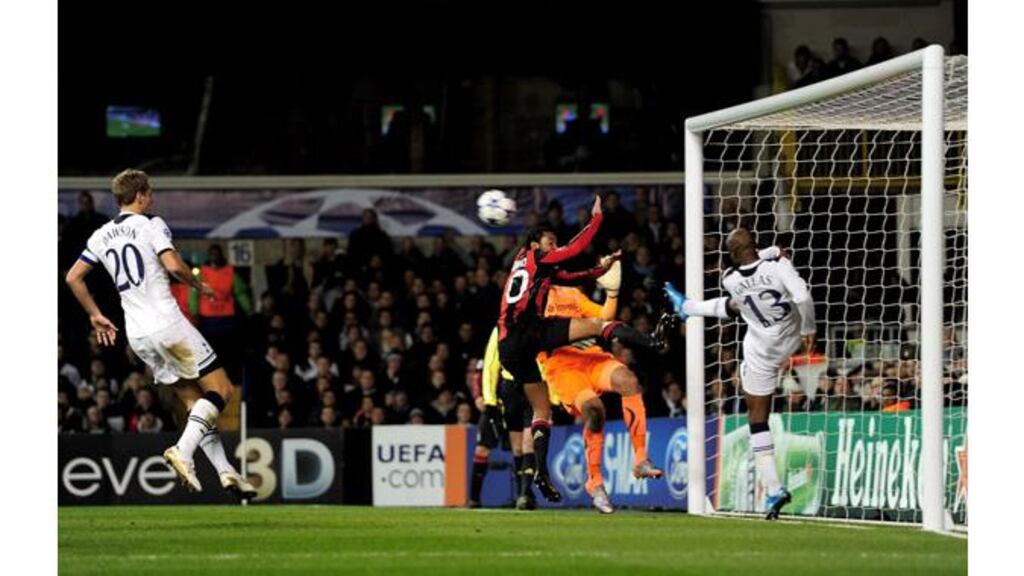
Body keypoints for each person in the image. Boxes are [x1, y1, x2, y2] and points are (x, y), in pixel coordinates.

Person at [64, 169, 256, 501]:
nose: (151, 198)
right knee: (222, 391)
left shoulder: (100, 235)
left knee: (195, 403)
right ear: (139, 195)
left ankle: (226, 471)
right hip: (168, 324)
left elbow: (72, 277)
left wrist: (95, 315)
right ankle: (182, 451)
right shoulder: (152, 224)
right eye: (149, 193)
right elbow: (175, 266)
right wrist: (200, 286)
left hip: (138, 335)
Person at [496, 195, 663, 502]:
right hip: (531, 336)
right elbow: (573, 250)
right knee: (596, 330)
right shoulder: (535, 259)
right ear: (535, 245)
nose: (554, 247)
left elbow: (573, 275)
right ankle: (649, 341)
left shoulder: (538, 271)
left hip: (512, 343)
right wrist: (596, 219)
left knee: (541, 409)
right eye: (549, 242)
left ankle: (541, 473)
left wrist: (600, 271)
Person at [665, 230, 816, 520]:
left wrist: (770, 252)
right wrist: (809, 329)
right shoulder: (779, 266)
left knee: (757, 420)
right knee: (740, 306)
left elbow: (746, 279)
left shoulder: (729, 279)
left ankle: (773, 488)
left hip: (762, 352)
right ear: (755, 246)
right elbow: (802, 296)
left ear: (732, 255)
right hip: (793, 337)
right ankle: (688, 308)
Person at [537, 262, 667, 514]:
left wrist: (612, 292)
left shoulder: (573, 295)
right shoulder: (533, 303)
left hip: (592, 357)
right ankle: (594, 482)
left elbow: (605, 318)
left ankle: (640, 459)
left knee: (628, 381)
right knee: (595, 411)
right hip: (562, 369)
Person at [469, 330, 538, 511]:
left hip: (527, 394)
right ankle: (473, 498)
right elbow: (484, 370)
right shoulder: (500, 331)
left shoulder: (537, 329)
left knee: (524, 446)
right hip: (498, 402)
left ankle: (523, 494)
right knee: (484, 448)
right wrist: (483, 397)